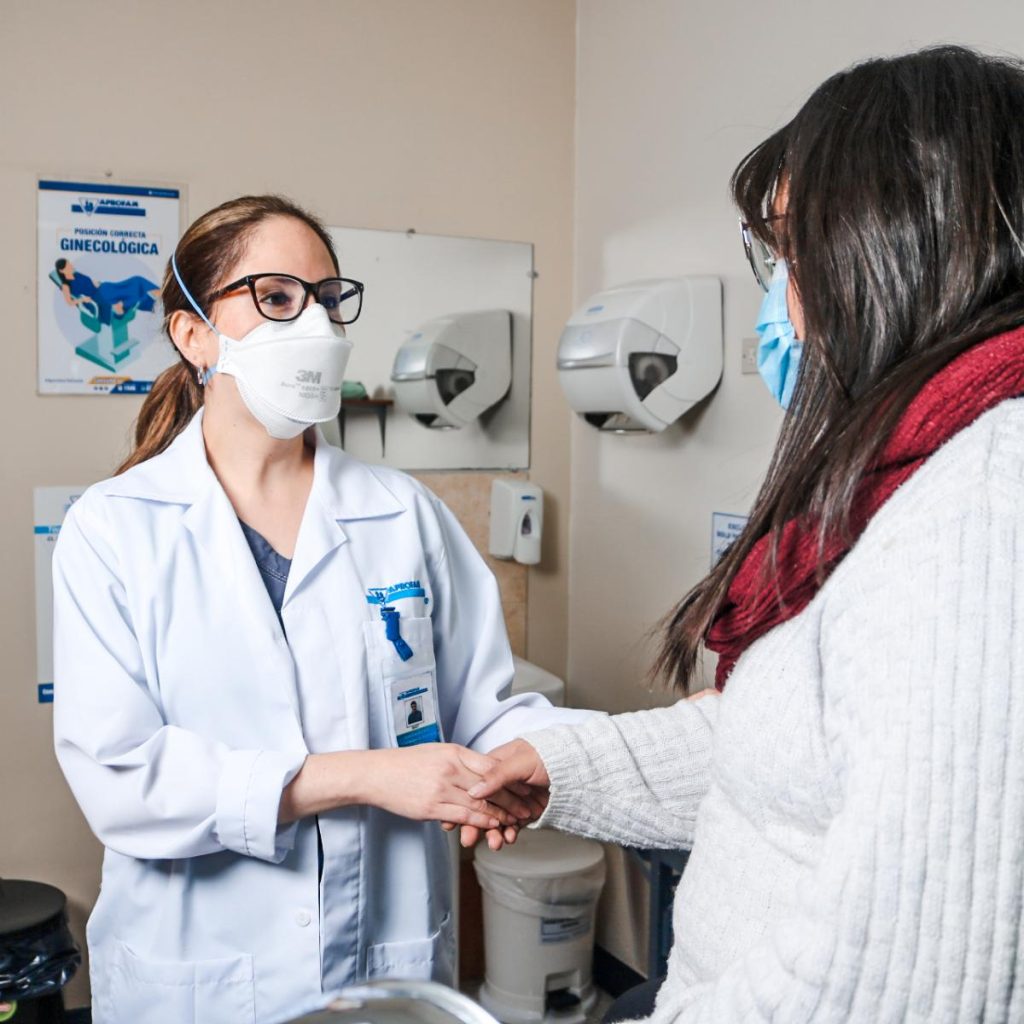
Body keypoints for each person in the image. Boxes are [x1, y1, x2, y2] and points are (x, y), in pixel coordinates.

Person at [470, 46, 1024, 1022]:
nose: (782, 295)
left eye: (786, 246)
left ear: (892, 239)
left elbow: (891, 990)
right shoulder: (904, 476)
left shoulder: (981, 516)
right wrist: (562, 767)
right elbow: (791, 745)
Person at [51, 194, 589, 1024]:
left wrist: (613, 754)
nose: (315, 325)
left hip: (388, 954)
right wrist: (367, 776)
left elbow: (488, 709)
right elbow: (124, 777)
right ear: (194, 334)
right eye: (275, 299)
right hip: (199, 979)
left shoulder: (401, 514)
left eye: (329, 299)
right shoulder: (116, 528)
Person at [54, 258, 159, 323]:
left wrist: (96, 283)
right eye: (68, 266)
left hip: (104, 287)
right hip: (97, 297)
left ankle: (158, 294)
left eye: (70, 264)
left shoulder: (76, 274)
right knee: (131, 293)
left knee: (136, 280)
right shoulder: (65, 286)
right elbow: (70, 302)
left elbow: (89, 282)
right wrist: (82, 300)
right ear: (62, 270)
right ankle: (154, 303)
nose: (71, 266)